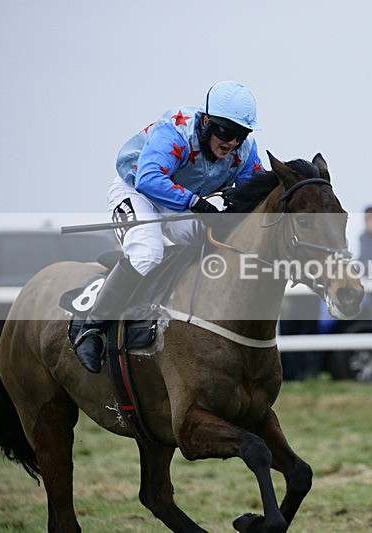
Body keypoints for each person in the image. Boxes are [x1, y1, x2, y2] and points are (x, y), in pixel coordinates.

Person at [73, 80, 264, 373]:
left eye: (241, 134)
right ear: (206, 121)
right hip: (137, 190)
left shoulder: (244, 150)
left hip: (179, 201)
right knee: (148, 253)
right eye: (226, 131)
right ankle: (91, 328)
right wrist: (197, 203)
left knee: (217, 236)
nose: (232, 142)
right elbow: (148, 179)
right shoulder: (175, 131)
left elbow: (258, 191)